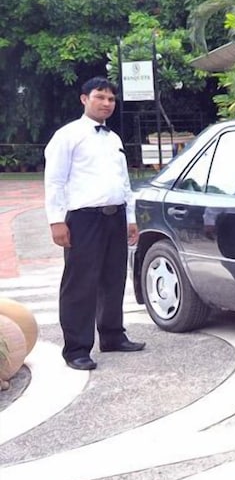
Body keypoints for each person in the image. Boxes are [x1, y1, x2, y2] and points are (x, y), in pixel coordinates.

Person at [44, 77, 144, 371]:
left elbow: (124, 182)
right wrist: (56, 220)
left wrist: (130, 218)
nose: (106, 103)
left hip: (115, 216)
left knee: (114, 278)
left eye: (111, 99)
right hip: (84, 219)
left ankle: (112, 335)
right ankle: (76, 349)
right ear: (84, 99)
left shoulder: (114, 139)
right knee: (80, 284)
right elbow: (54, 180)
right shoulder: (67, 136)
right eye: (100, 97)